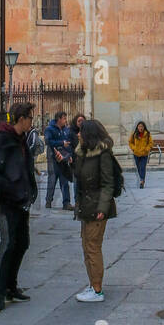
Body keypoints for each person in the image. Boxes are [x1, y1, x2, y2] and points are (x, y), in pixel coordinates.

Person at [0, 102, 37, 312]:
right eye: (30, 118)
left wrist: (30, 188)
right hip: (6, 200)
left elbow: (25, 167)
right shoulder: (3, 139)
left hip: (22, 199)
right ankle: (0, 292)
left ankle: (12, 286)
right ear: (21, 119)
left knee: (22, 243)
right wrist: (9, 187)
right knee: (8, 243)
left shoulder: (22, 140)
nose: (32, 122)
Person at [72, 118, 118, 301]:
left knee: (93, 247)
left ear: (88, 134)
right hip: (85, 205)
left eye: (81, 131)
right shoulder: (82, 153)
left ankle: (97, 289)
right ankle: (92, 284)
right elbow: (79, 177)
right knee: (86, 245)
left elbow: (108, 183)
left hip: (97, 206)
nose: (78, 134)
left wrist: (102, 208)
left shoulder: (103, 154)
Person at [44, 110, 74, 210]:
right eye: (64, 118)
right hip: (53, 157)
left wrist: (69, 155)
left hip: (64, 158)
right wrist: (61, 143)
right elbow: (48, 141)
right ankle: (48, 201)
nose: (66, 120)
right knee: (52, 179)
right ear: (59, 119)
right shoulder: (49, 129)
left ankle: (66, 203)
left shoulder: (66, 130)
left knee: (64, 180)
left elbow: (68, 143)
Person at [128, 120, 154, 188]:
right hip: (136, 154)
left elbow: (151, 143)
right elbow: (130, 142)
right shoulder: (134, 134)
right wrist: (134, 148)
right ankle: (142, 179)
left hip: (144, 154)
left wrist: (147, 149)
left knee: (142, 167)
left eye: (142, 126)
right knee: (139, 168)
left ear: (144, 127)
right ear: (137, 127)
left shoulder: (147, 134)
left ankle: (142, 181)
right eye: (139, 126)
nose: (140, 128)